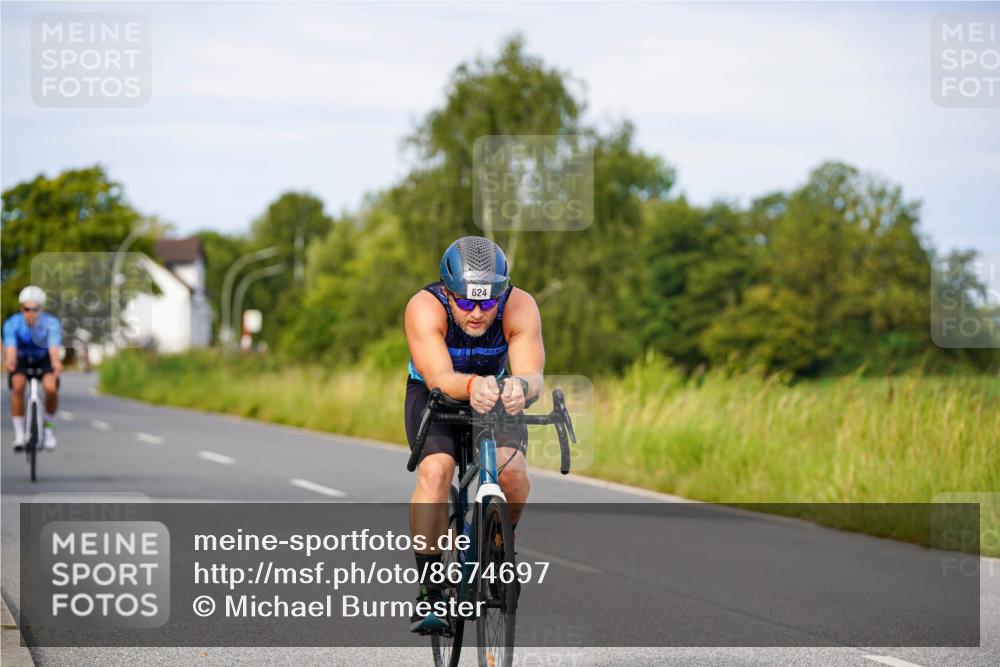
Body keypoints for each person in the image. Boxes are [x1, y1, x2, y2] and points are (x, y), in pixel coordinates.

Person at [404, 236, 544, 632]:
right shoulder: (424, 306)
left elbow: (532, 373)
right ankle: (431, 592)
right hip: (437, 393)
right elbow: (441, 377)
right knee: (435, 471)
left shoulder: (520, 306)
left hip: (497, 393)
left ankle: (498, 549)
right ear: (448, 293)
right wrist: (469, 387)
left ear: (502, 293)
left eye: (488, 302)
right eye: (466, 302)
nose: (478, 313)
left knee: (512, 477)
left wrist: (522, 387)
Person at [4, 285, 62, 450]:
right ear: (21, 308)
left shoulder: (51, 323)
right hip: (21, 358)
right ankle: (20, 434)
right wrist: (10, 362)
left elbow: (53, 347)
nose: (30, 313)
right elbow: (11, 348)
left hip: (43, 358)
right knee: (18, 386)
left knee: (51, 389)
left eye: (35, 309)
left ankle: (49, 430)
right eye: (26, 308)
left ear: (41, 309)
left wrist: (56, 363)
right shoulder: (12, 323)